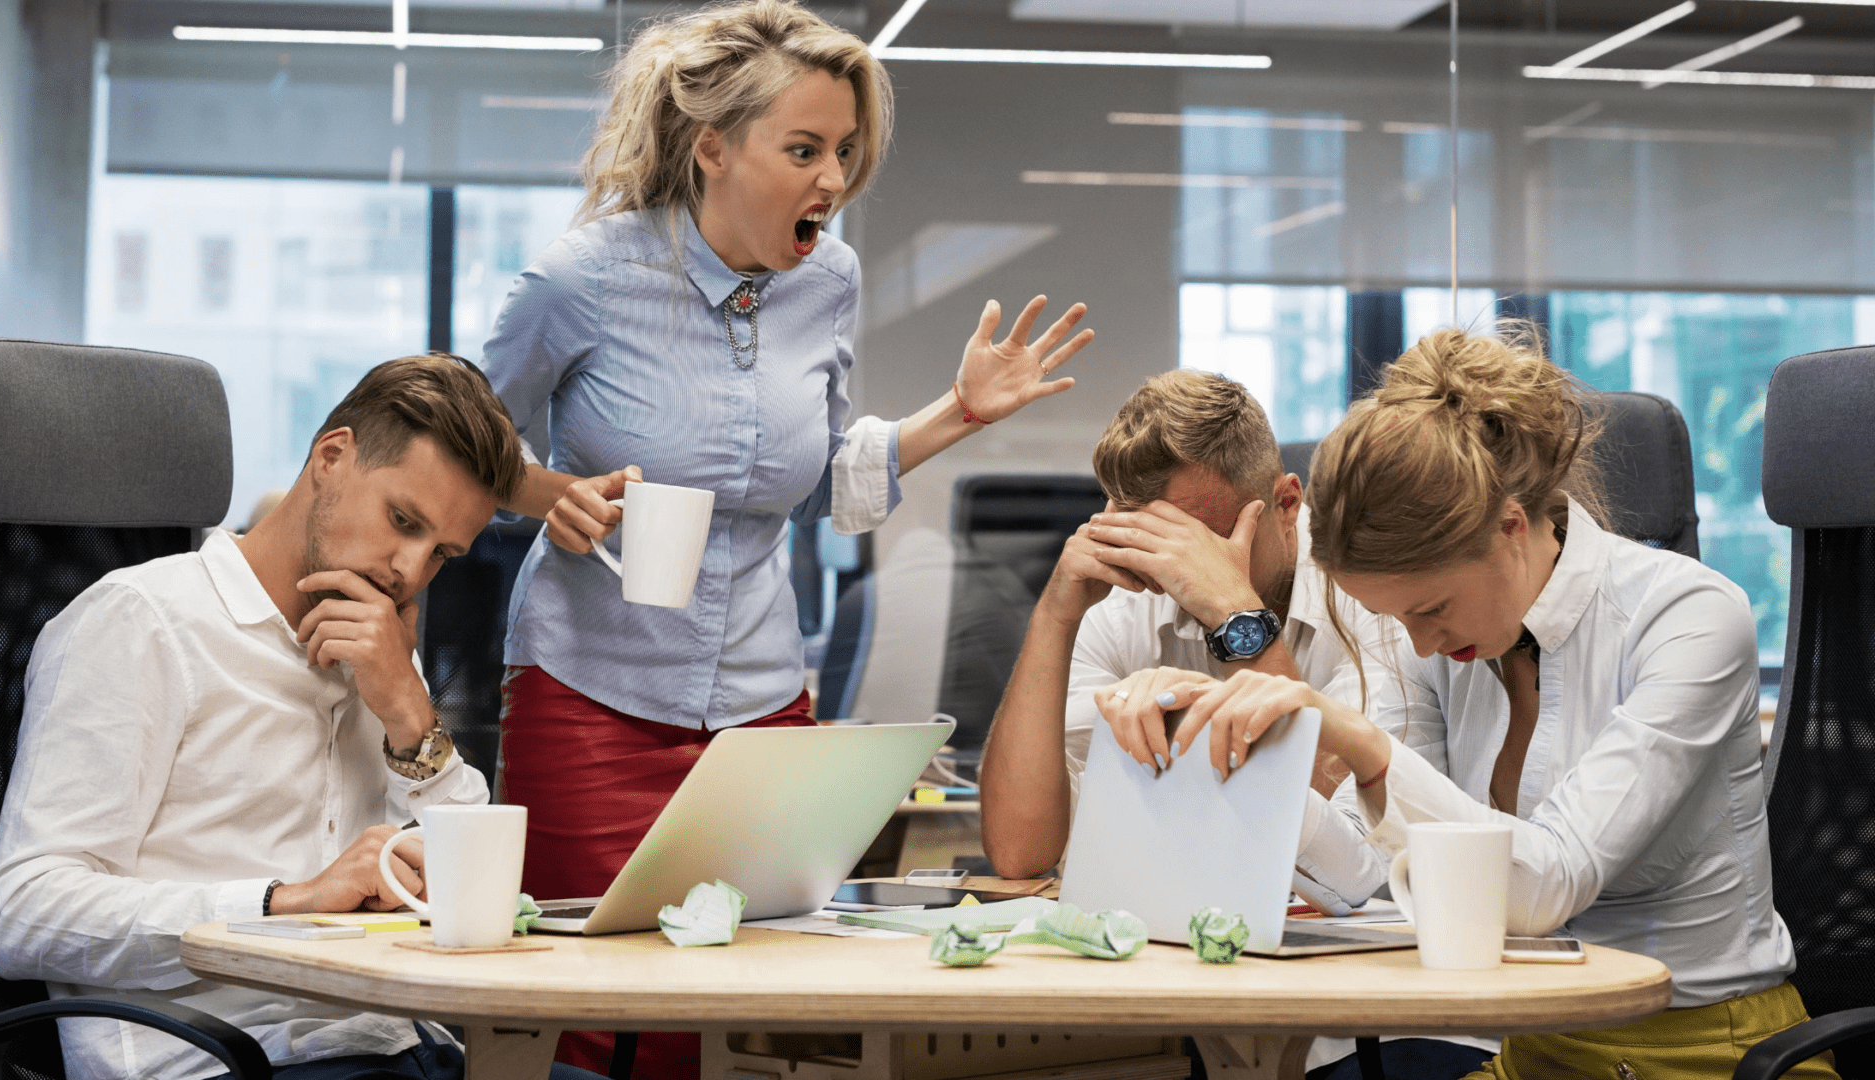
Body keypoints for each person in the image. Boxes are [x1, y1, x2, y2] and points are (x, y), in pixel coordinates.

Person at [478, 3, 1091, 1076]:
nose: (833, 179)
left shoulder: (830, 281)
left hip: (763, 700)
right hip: (591, 694)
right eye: (802, 150)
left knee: (745, 1002)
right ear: (712, 149)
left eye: (845, 151)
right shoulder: (583, 279)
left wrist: (958, 412)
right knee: (589, 1012)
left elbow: (810, 484)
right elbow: (456, 444)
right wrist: (544, 491)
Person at [1118, 330, 1837, 1079]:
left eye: (1430, 609)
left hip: (1702, 1053)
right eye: (1397, 620)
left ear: (1510, 527)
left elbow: (1549, 884)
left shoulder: (1690, 617)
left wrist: (1363, 745)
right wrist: (1233, 742)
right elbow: (1370, 877)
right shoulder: (1440, 644)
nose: (1421, 645)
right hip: (1533, 1048)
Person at [0, 356, 602, 1080]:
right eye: (402, 520)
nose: (409, 569)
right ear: (331, 457)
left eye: (442, 554)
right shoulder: (142, 623)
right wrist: (284, 903)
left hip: (399, 1046)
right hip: (231, 1060)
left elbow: (471, 889)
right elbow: (21, 913)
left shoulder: (383, 649)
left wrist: (408, 714)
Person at [977, 370, 1494, 1080]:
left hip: (1392, 1023)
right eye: (1156, 543)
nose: (1178, 574)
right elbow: (1018, 851)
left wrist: (1236, 618)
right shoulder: (1134, 598)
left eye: (1205, 541)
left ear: (1287, 503)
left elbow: (1350, 869)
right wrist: (1056, 614)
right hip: (1220, 1009)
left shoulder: (1378, 598)